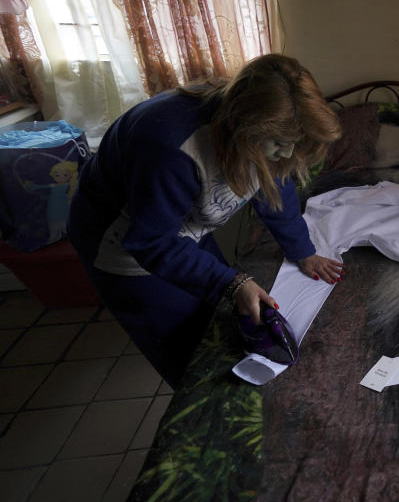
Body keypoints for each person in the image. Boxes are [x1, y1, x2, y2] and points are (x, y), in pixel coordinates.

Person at [67, 54, 344, 387]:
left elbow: (274, 188)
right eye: (281, 145)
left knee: (220, 315)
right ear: (244, 127)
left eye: (293, 145)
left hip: (177, 226)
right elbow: (151, 241)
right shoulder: (169, 145)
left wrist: (302, 251)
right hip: (123, 244)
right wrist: (233, 282)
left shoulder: (265, 133)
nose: (287, 154)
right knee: (186, 348)